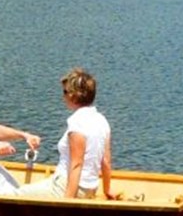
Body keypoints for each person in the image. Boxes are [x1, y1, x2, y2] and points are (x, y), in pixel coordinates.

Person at [18, 68, 119, 200]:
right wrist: (107, 190)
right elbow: (106, 161)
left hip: (67, 186)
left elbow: (77, 164)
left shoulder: (77, 122)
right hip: (90, 188)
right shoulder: (102, 120)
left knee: (12, 194)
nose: (63, 96)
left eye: (65, 92)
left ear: (73, 96)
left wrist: (68, 202)